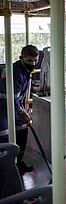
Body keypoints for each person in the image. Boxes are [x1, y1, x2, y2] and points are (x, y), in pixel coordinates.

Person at [0, 45, 39, 175]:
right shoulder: (15, 72)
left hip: (14, 107)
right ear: (21, 58)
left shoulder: (26, 71)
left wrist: (24, 112)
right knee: (5, 138)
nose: (33, 64)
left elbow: (20, 97)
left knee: (22, 131)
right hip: (2, 108)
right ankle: (7, 169)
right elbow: (11, 99)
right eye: (29, 61)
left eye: (35, 60)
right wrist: (23, 113)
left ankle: (19, 164)